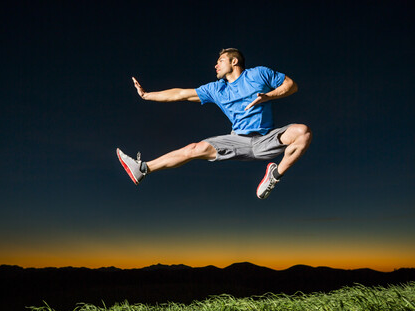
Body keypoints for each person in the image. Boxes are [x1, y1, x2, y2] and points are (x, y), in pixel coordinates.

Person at [117, 48, 312, 199]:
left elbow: (291, 85)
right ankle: (143, 169)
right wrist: (147, 95)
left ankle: (275, 175)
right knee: (195, 148)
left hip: (265, 140)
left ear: (234, 61)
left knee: (302, 132)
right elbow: (181, 94)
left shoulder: (259, 74)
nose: (215, 66)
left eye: (220, 61)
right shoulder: (216, 89)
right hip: (237, 141)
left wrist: (267, 96)